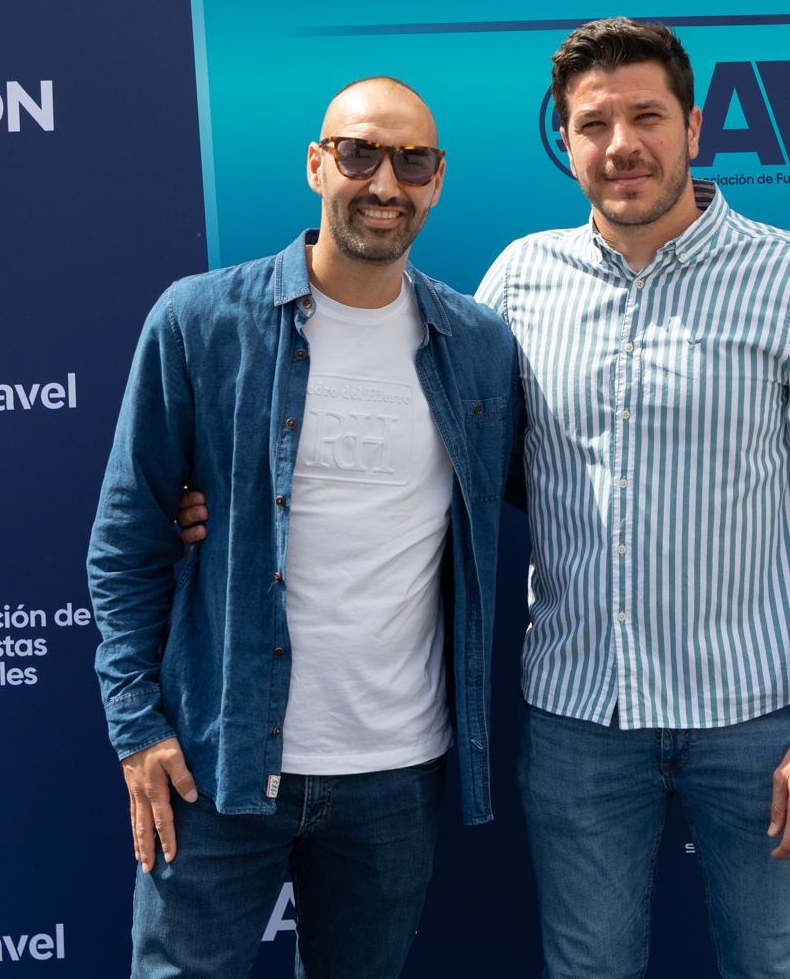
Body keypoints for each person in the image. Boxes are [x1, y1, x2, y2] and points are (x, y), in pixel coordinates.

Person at [181, 18, 790, 978]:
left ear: (694, 126)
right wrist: (224, 498)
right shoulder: (518, 284)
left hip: (757, 719)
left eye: (647, 117)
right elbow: (436, 451)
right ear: (565, 142)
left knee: (775, 969)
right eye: (592, 124)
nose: (621, 145)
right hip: (577, 724)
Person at [88, 75, 520, 979]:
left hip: (396, 774)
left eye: (413, 162)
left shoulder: (477, 345)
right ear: (318, 165)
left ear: (438, 182)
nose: (385, 183)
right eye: (360, 154)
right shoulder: (202, 322)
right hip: (218, 763)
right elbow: (128, 541)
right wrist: (137, 729)